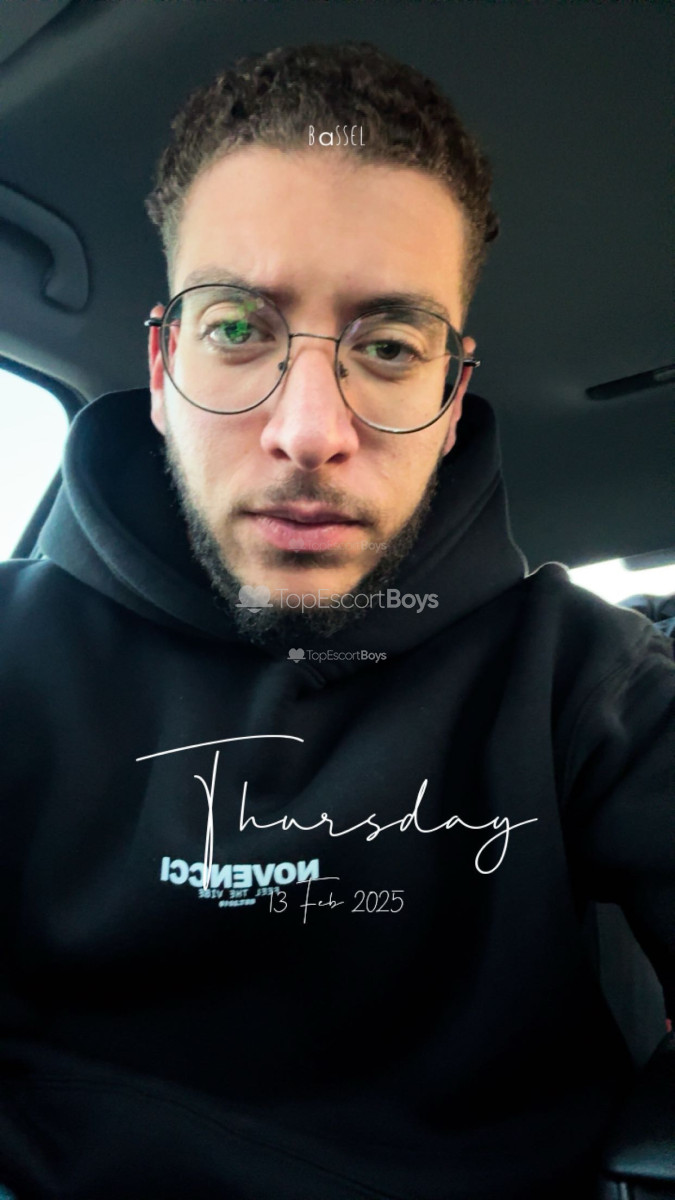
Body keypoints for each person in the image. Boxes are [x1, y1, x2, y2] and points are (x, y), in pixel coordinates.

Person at [0, 39, 673, 1200]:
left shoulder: (588, 687)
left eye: (390, 348)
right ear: (161, 370)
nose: (308, 431)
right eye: (237, 328)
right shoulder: (13, 655)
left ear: (451, 400)